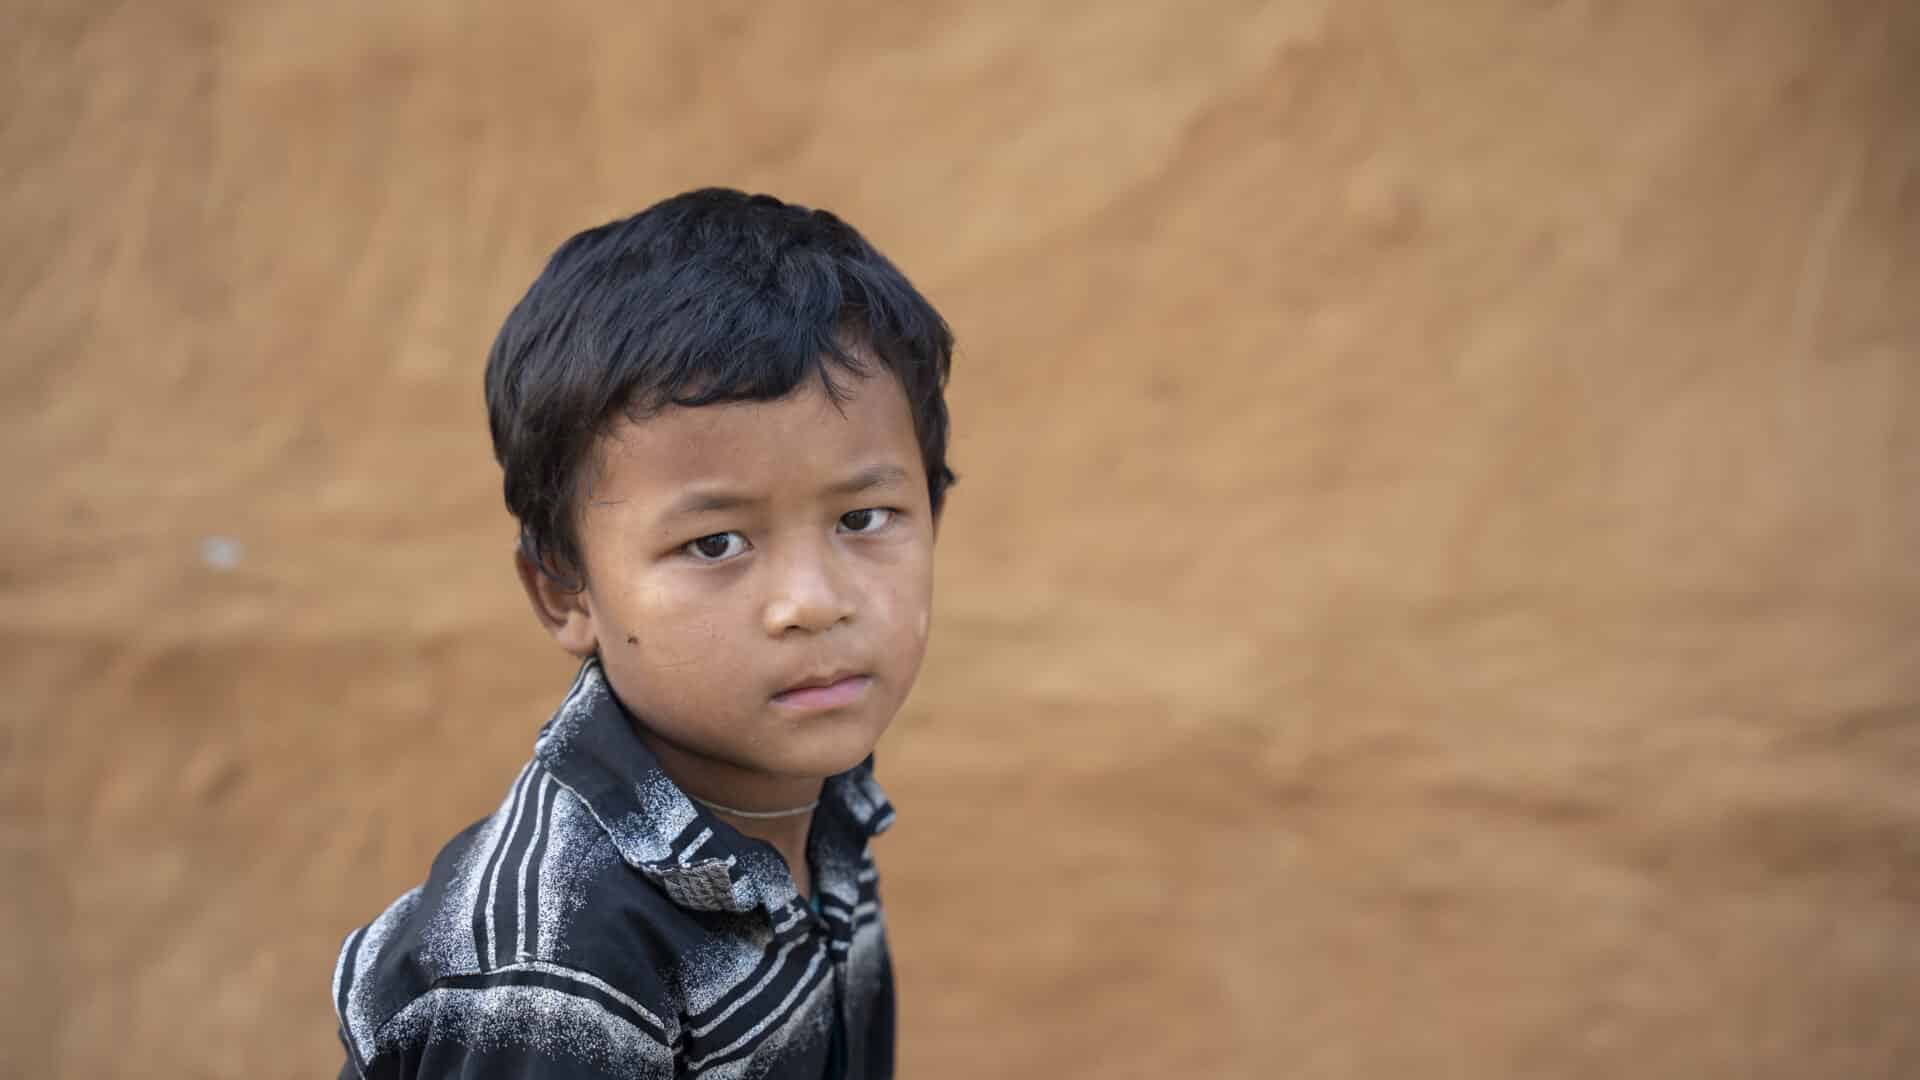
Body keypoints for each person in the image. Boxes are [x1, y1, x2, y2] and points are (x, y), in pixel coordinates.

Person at [330, 188, 956, 1079]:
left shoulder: (815, 797)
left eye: (864, 519)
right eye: (715, 543)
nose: (812, 602)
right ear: (563, 590)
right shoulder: (556, 976)